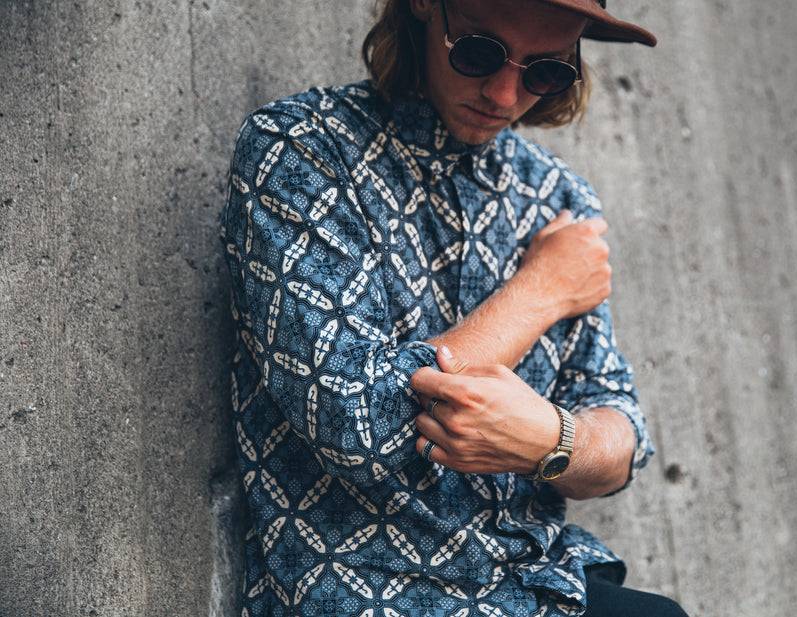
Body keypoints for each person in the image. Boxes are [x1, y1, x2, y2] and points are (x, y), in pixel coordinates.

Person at [218, 0, 690, 615]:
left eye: (546, 71)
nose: (503, 94)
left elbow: (622, 441)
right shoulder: (303, 148)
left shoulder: (557, 199)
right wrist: (541, 290)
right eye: (479, 53)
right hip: (374, 590)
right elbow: (355, 424)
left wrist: (550, 441)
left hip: (541, 583)